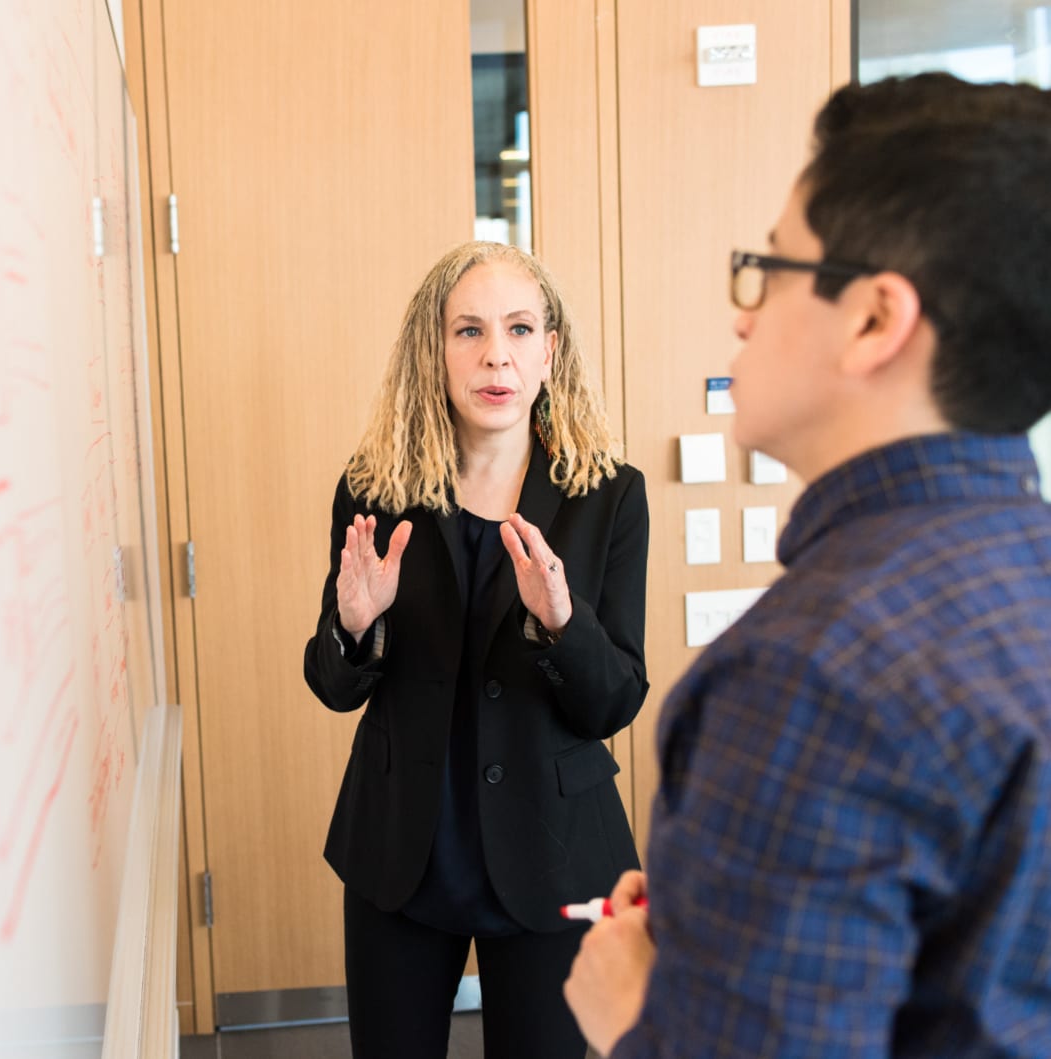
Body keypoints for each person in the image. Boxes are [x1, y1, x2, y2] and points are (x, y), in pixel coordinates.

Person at [563, 72, 1051, 1057]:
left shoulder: (810, 673)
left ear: (874, 318)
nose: (742, 316)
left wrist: (630, 1014)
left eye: (769, 267)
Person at [303, 241, 650, 1058]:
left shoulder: (609, 496)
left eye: (520, 329)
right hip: (403, 849)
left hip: (555, 848)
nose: (496, 353)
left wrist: (567, 624)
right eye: (469, 331)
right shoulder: (373, 489)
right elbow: (333, 683)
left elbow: (616, 699)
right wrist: (353, 626)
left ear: (549, 351)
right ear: (435, 349)